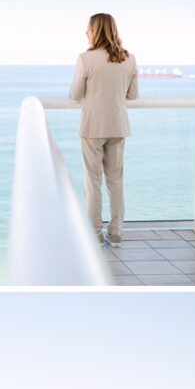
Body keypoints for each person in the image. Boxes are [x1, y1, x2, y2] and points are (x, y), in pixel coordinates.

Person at [69, 13, 139, 245]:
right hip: (118, 125)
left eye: (88, 28)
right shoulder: (129, 58)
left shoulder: (86, 59)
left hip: (92, 126)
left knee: (93, 181)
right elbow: (133, 95)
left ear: (96, 30)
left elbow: (74, 95)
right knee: (115, 180)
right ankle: (116, 232)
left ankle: (96, 234)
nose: (85, 32)